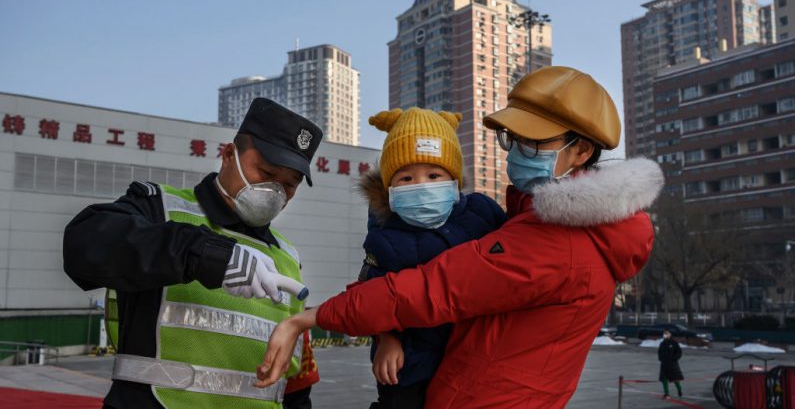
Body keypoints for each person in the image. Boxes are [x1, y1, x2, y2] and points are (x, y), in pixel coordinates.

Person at [256, 66, 664, 408]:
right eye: (513, 138)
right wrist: (386, 334)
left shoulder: (560, 241)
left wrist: (313, 317)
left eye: (533, 141)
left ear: (581, 151)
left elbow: (434, 288)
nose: (516, 151)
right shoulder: (547, 224)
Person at [63, 98, 322, 409]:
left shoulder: (288, 257)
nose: (275, 192)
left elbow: (294, 383)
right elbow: (84, 244)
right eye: (266, 172)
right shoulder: (160, 210)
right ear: (229, 155)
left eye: (289, 185)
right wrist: (201, 253)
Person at [358, 108, 507, 408]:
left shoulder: (481, 213)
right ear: (389, 188)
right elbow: (371, 293)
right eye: (406, 177)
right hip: (412, 362)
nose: (422, 185)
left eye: (434, 175)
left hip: (474, 356)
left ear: (453, 179)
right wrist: (386, 339)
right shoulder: (384, 232)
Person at [658, 330, 684, 399]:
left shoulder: (674, 343)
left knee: (675, 380)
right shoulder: (662, 343)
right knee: (664, 380)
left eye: (667, 334)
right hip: (664, 364)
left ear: (670, 335)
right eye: (664, 334)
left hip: (672, 364)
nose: (665, 335)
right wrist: (660, 358)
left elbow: (679, 352)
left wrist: (674, 358)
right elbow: (659, 352)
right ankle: (666, 394)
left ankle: (679, 390)